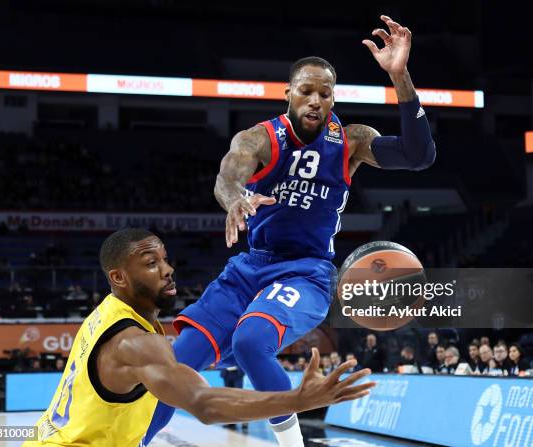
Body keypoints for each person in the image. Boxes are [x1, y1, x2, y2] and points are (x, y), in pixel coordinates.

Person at [146, 14, 435, 447]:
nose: (316, 100)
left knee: (250, 341)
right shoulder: (259, 139)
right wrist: (236, 199)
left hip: (307, 273)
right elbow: (227, 177)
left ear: (333, 98)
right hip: (249, 268)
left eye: (325, 93)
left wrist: (400, 75)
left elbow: (419, 155)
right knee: (176, 367)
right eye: (306, 91)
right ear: (289, 95)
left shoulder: (351, 141)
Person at [22, 229, 374, 447]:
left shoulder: (105, 315)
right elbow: (204, 404)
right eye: (150, 263)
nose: (167, 269)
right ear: (118, 276)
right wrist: (297, 400)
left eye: (164, 259)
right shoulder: (136, 343)